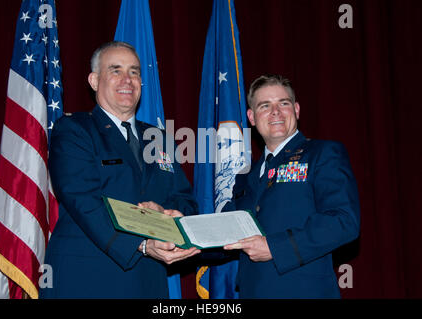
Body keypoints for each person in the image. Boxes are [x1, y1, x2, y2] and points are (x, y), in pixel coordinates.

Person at [40, 41, 200, 298]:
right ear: (94, 80)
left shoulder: (158, 137)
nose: (127, 79)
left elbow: (185, 200)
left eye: (134, 72)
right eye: (116, 70)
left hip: (148, 281)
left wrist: (168, 215)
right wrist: (142, 244)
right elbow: (82, 199)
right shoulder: (74, 130)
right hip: (87, 279)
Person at [223, 74, 360, 298]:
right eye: (265, 106)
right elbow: (226, 232)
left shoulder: (322, 154)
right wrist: (180, 234)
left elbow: (344, 221)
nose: (275, 112)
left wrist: (274, 248)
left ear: (296, 110)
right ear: (252, 117)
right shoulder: (245, 176)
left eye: (283, 103)